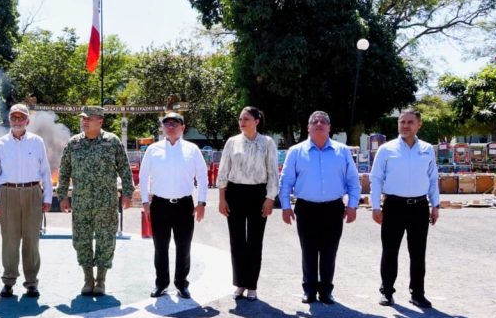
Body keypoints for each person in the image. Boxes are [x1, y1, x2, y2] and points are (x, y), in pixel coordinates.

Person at [278, 110, 361, 305]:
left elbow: (352, 180)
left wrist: (352, 205)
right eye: (314, 121)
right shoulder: (296, 151)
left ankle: (326, 290)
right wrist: (285, 206)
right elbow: (286, 181)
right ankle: (309, 289)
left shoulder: (342, 151)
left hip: (334, 208)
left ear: (329, 127)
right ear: (308, 127)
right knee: (308, 250)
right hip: (306, 208)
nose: (318, 124)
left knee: (329, 251)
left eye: (323, 121)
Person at [56, 105, 135, 296]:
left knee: (105, 240)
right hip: (81, 202)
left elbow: (124, 169)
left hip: (106, 203)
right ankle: (88, 279)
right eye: (83, 118)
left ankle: (101, 280)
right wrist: (62, 195)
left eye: (89, 119)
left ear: (100, 121)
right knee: (81, 241)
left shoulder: (112, 142)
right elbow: (64, 171)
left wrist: (127, 193)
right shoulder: (74, 143)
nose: (84, 122)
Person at [369, 108, 440, 308]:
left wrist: (435, 205)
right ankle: (387, 291)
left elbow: (433, 178)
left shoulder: (427, 149)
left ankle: (417, 293)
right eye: (402, 122)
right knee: (390, 251)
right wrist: (375, 207)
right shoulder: (386, 149)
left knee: (418, 253)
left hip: (419, 207)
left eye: (410, 122)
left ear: (419, 125)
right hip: (394, 206)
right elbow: (376, 179)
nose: (405, 126)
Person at [138, 111, 209, 299]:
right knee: (160, 247)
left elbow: (202, 177)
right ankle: (161, 284)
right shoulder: (153, 150)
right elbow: (143, 177)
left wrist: (201, 202)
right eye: (167, 123)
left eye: (175, 123)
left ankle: (181, 284)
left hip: (184, 205)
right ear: (162, 127)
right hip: (159, 205)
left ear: (182, 127)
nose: (170, 127)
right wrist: (145, 201)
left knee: (183, 246)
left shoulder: (192, 150)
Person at [0, 103, 53, 299]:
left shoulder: (37, 142)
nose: (17, 121)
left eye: (21, 118)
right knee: (9, 240)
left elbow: (45, 172)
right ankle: (8, 281)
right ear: (9, 120)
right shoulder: (0, 144)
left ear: (27, 121)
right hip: (8, 193)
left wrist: (47, 197)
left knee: (32, 240)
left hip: (32, 192)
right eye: (14, 117)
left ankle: (31, 283)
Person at [217, 106, 280, 301]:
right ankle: (240, 284)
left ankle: (252, 285)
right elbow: (223, 171)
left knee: (254, 241)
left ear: (256, 121)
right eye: (240, 119)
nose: (242, 122)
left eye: (246, 119)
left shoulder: (267, 142)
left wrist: (270, 198)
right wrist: (222, 198)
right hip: (235, 193)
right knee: (236, 240)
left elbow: (273, 172)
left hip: (258, 194)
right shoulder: (232, 142)